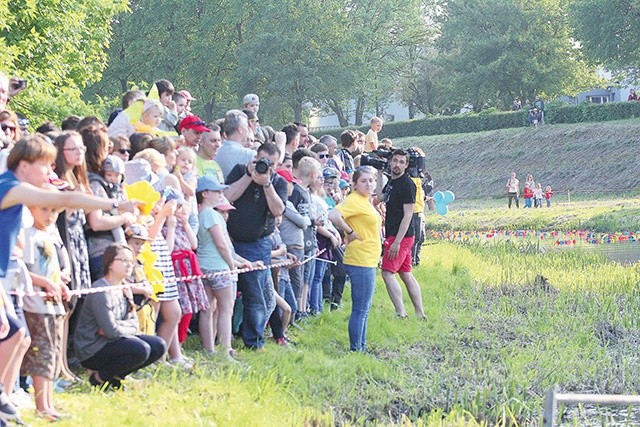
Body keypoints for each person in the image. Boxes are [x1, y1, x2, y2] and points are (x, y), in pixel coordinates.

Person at [73, 244, 166, 389]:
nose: (129, 265)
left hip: (114, 340)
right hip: (92, 348)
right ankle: (98, 378)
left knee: (159, 345)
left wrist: (119, 327)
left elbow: (133, 325)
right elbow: (110, 331)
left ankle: (115, 377)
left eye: (131, 261)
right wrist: (118, 329)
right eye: (123, 260)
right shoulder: (100, 290)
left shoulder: (125, 288)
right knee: (141, 349)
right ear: (110, 263)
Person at [224, 143, 287, 349]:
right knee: (226, 294)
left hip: (257, 244)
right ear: (254, 157)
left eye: (271, 164)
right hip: (230, 241)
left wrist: (266, 183)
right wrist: (249, 176)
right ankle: (225, 337)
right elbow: (226, 198)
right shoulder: (239, 171)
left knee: (255, 295)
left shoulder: (278, 182)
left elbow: (278, 210)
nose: (265, 166)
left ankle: (253, 341)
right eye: (262, 161)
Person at [23, 205, 70, 421]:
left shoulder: (48, 235)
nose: (50, 215)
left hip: (54, 304)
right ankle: (41, 406)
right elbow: (24, 271)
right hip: (36, 305)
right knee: (41, 355)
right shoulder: (28, 235)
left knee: (52, 353)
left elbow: (51, 270)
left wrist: (60, 284)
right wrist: (45, 283)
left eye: (54, 211)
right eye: (44, 209)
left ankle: (49, 403)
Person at [328, 166, 381, 352]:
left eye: (371, 180)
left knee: (364, 308)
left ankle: (361, 347)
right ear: (355, 183)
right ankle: (356, 349)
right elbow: (333, 214)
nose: (368, 184)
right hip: (360, 259)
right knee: (360, 309)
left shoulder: (365, 201)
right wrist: (350, 232)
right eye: (363, 181)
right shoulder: (354, 200)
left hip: (368, 258)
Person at [377, 150, 426, 319]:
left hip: (401, 235)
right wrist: (378, 172)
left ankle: (401, 312)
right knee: (405, 274)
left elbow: (408, 214)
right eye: (395, 161)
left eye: (401, 162)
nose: (397, 165)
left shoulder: (407, 184)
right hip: (396, 233)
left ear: (406, 165)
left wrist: (397, 242)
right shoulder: (392, 181)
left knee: (387, 273)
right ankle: (420, 313)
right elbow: (381, 196)